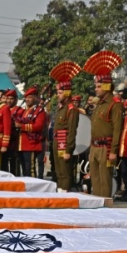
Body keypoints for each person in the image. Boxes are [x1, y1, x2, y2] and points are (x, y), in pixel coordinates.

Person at [82, 51, 124, 198]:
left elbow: (117, 129)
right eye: (96, 85)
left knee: (105, 179)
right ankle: (97, 204)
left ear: (107, 86)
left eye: (99, 86)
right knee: (95, 178)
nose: (96, 88)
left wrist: (114, 151)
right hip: (94, 146)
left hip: (106, 148)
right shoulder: (99, 104)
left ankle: (105, 205)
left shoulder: (115, 104)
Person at [49, 62, 81, 192]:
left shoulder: (71, 109)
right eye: (57, 92)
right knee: (58, 172)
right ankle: (61, 193)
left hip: (64, 145)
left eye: (60, 92)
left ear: (67, 93)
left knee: (65, 173)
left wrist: (68, 150)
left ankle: (66, 195)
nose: (58, 95)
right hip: (57, 143)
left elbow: (72, 132)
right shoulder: (61, 109)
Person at [14, 87, 47, 179]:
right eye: (26, 97)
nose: (27, 99)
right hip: (22, 143)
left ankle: (34, 189)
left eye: (30, 97)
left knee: (30, 169)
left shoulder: (39, 111)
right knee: (24, 169)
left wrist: (22, 126)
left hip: (31, 144)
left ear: (35, 98)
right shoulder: (24, 111)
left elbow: (38, 126)